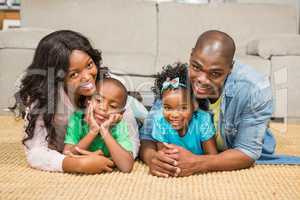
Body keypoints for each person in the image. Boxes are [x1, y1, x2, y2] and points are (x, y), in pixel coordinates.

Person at [139, 30, 275, 177]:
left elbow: (247, 151)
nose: (202, 80)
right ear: (191, 56)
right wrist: (153, 158)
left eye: (215, 73)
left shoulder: (255, 90)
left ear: (230, 68)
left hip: (233, 137)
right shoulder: (177, 81)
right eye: (196, 67)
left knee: (254, 130)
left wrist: (198, 163)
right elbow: (147, 136)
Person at [12, 30, 140, 174]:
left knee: (143, 116)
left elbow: (132, 139)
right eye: (74, 74)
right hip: (72, 146)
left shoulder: (109, 86)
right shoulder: (41, 99)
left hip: (121, 119)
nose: (87, 77)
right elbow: (35, 152)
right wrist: (75, 164)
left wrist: (110, 159)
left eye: (89, 65)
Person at [64, 78, 134, 172]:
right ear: (88, 100)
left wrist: (104, 131)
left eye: (112, 106)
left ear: (120, 113)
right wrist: (93, 132)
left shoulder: (119, 126)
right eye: (98, 100)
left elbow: (127, 167)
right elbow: (65, 155)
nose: (103, 108)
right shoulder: (77, 119)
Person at [150, 62, 217, 157]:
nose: (174, 115)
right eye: (167, 108)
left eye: (183, 108)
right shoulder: (159, 120)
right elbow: (163, 154)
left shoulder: (203, 120)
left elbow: (212, 156)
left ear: (195, 105)